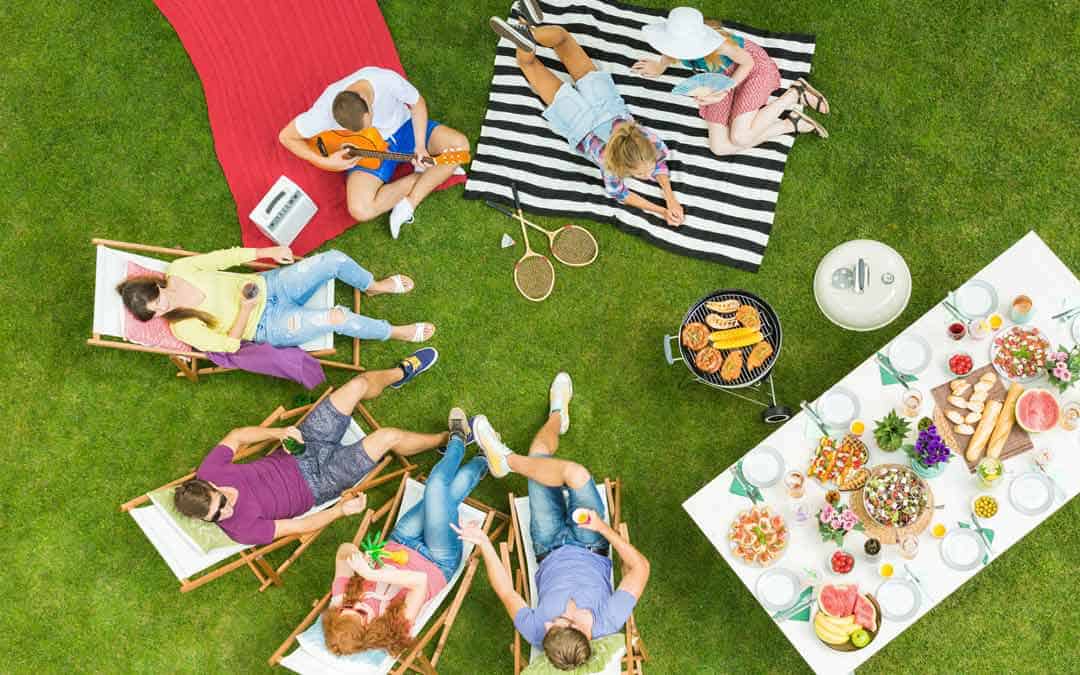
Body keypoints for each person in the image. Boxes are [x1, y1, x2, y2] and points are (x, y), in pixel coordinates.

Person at [456, 373, 650, 671]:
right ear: (579, 628)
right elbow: (640, 568)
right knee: (575, 474)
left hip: (546, 544)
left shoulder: (536, 631)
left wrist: (483, 543)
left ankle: (551, 422)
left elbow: (506, 590)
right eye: (556, 622)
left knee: (538, 456)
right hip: (591, 541)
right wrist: (603, 529)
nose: (546, 621)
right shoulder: (609, 617)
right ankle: (512, 457)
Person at [171, 356, 443, 546]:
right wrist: (340, 511)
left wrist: (279, 433)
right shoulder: (241, 530)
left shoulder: (211, 470)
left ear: (210, 485)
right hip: (323, 481)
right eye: (216, 517)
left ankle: (400, 373)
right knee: (388, 436)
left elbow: (238, 436)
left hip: (298, 447)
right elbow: (298, 527)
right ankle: (445, 439)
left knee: (357, 385)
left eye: (221, 504)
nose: (225, 512)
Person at [489, 2, 684, 227]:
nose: (649, 174)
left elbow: (657, 163)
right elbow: (621, 194)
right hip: (575, 117)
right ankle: (524, 38)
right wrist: (661, 209)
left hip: (603, 101)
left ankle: (529, 31)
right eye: (642, 173)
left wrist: (671, 200)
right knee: (530, 66)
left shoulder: (646, 137)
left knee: (562, 39)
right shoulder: (611, 165)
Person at [321, 408, 489, 656]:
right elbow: (419, 582)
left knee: (444, 496)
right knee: (435, 491)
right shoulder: (395, 627)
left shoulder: (343, 602)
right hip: (436, 560)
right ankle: (458, 441)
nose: (355, 605)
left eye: (347, 608)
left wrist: (357, 564)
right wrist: (371, 573)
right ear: (367, 629)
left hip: (401, 541)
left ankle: (482, 462)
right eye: (359, 612)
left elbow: (343, 551)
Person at [117, 246, 434, 354]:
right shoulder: (182, 328)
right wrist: (245, 310)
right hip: (270, 325)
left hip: (271, 285)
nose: (163, 308)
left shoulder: (180, 269)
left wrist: (267, 253)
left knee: (333, 260)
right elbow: (230, 345)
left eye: (157, 300)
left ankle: (373, 286)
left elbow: (225, 258)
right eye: (155, 313)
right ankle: (394, 332)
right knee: (335, 317)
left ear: (156, 286)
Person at [278, 67, 470, 239]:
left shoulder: (385, 80)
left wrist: (420, 146)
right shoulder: (324, 111)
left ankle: (409, 204)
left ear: (367, 103)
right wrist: (324, 161)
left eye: (365, 126)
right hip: (368, 151)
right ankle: (433, 172)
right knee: (360, 210)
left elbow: (417, 103)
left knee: (460, 147)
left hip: (405, 128)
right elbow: (286, 137)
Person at [632, 7, 830, 155]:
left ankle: (795, 93)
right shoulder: (674, 42)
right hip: (720, 78)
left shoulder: (721, 46)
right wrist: (661, 66)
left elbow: (748, 62)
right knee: (719, 147)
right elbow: (670, 52)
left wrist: (725, 91)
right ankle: (790, 124)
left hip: (751, 69)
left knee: (739, 137)